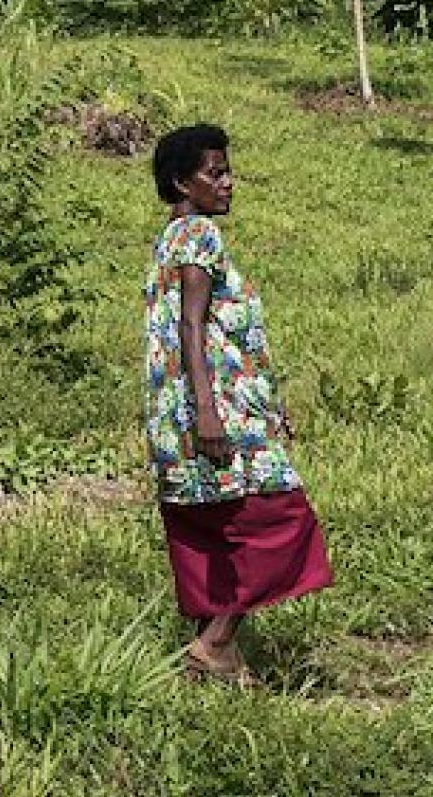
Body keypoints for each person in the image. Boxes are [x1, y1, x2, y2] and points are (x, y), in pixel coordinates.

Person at [141, 125, 333, 685]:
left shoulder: (171, 237)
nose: (228, 183)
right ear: (182, 181)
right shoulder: (200, 235)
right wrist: (210, 410)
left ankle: (218, 658)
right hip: (215, 409)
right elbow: (192, 324)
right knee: (280, 519)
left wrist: (266, 403)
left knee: (208, 526)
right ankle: (217, 640)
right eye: (214, 173)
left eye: (228, 171)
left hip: (179, 411)